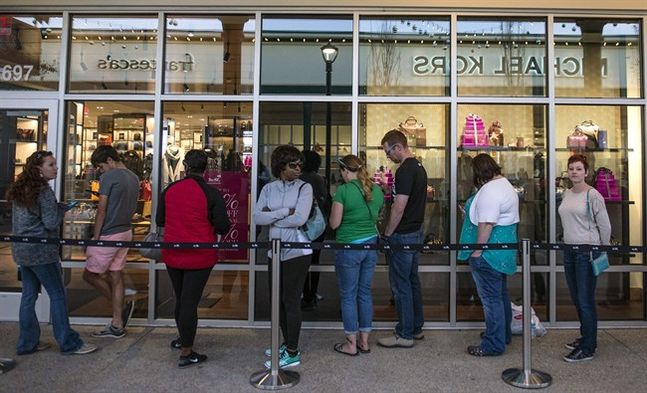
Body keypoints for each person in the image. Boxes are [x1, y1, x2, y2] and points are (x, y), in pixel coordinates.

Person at [7, 151, 97, 355]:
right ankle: (68, 342)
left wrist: (56, 208)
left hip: (22, 249)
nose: (56, 167)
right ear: (39, 169)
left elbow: (31, 217)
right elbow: (50, 222)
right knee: (57, 294)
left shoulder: (21, 189)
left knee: (28, 295)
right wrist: (61, 210)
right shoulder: (44, 191)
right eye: (51, 164)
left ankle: (27, 343)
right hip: (42, 250)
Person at [156, 149, 230, 368]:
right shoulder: (211, 193)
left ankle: (182, 338)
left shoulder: (170, 190)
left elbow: (160, 220)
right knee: (190, 302)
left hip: (173, 252)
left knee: (180, 298)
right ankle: (187, 351)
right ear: (205, 169)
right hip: (200, 255)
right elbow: (223, 226)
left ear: (186, 167)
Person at [253, 145, 313, 369]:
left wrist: (272, 216)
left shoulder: (304, 188)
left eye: (300, 165)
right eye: (292, 165)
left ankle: (292, 351)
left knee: (291, 301)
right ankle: (287, 343)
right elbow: (258, 217)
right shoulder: (269, 188)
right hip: (274, 249)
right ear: (280, 166)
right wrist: (282, 213)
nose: (298, 169)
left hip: (297, 251)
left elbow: (299, 218)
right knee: (276, 301)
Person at [458, 153, 519, 356]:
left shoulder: (490, 190)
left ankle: (493, 344)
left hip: (489, 254)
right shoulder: (504, 185)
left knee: (491, 300)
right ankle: (503, 334)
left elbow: (486, 223)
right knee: (500, 295)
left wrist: (477, 251)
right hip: (502, 253)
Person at [558, 154, 611, 362]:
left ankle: (589, 347)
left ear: (586, 172)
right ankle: (585, 336)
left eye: (579, 168)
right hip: (569, 251)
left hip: (587, 252)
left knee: (585, 299)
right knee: (576, 297)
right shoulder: (567, 194)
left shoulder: (593, 195)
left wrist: (604, 249)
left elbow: (605, 225)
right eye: (571, 168)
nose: (574, 172)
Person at [377, 129, 428, 348]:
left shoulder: (405, 171)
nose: (388, 157)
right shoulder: (418, 167)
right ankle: (415, 327)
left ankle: (404, 333)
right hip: (416, 230)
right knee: (412, 281)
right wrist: (390, 189)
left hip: (403, 233)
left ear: (398, 147)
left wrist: (387, 234)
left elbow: (399, 208)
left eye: (389, 152)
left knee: (401, 285)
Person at [329, 155, 384, 355]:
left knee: (348, 295)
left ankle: (351, 344)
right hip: (370, 246)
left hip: (349, 247)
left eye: (341, 171)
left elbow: (334, 224)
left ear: (345, 170)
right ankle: (365, 341)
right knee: (364, 293)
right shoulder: (376, 190)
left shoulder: (343, 191)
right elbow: (378, 216)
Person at [83, 146, 139, 339]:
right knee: (116, 274)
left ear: (109, 160)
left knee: (90, 275)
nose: (100, 170)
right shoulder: (133, 177)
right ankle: (117, 323)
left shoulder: (109, 178)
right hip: (126, 231)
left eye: (100, 166)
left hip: (108, 234)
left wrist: (96, 237)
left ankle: (121, 307)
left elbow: (102, 210)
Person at [299, 149, 331, 311]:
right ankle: (312, 293)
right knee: (315, 259)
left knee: (303, 259)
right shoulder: (318, 179)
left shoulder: (299, 179)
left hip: (302, 225)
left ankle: (305, 293)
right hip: (318, 225)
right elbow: (324, 201)